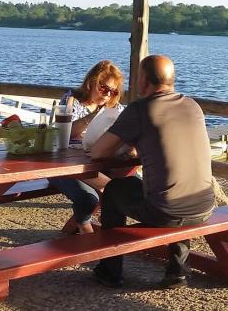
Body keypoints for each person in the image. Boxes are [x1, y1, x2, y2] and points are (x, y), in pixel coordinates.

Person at [90, 55, 215, 289]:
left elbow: (97, 152)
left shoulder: (141, 109)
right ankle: (177, 271)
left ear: (143, 80)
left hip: (166, 212)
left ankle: (110, 270)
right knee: (175, 188)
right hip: (205, 206)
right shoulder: (192, 105)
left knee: (116, 188)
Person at [49, 60, 125, 234]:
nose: (107, 95)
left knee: (127, 187)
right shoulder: (72, 100)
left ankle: (113, 237)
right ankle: (85, 229)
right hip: (65, 166)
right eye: (103, 88)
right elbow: (65, 132)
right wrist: (95, 116)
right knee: (90, 198)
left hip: (98, 163)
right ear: (91, 83)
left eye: (113, 91)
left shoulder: (115, 108)